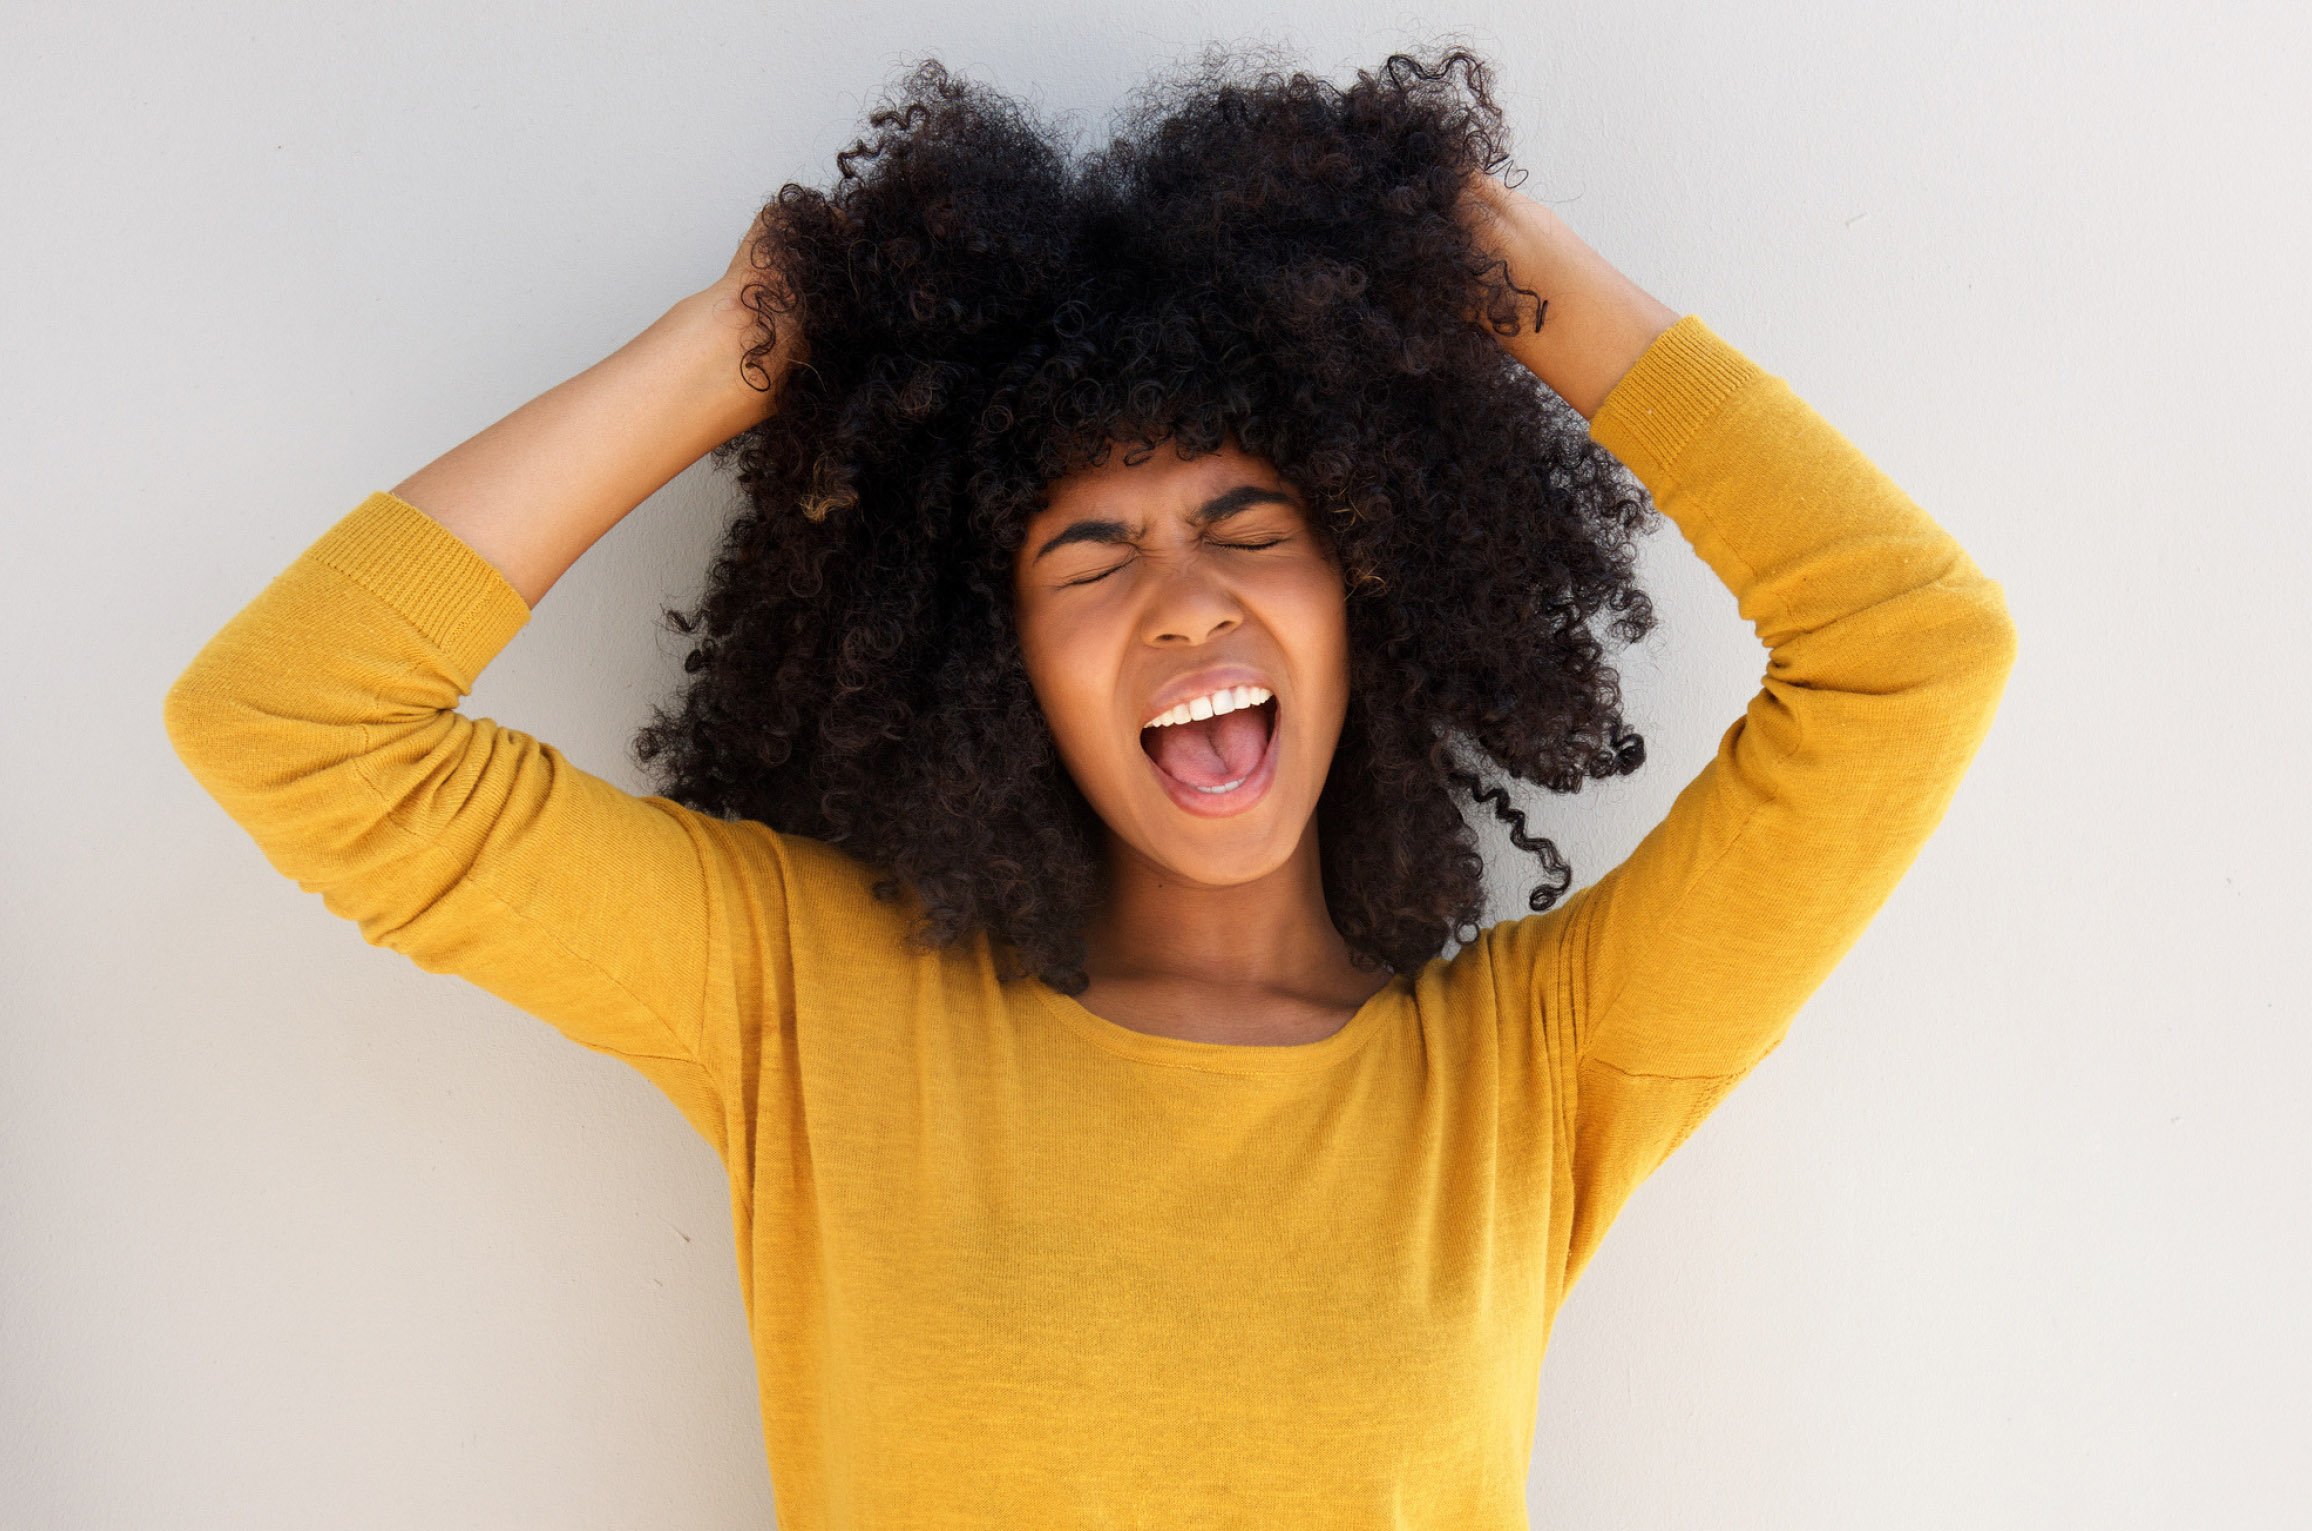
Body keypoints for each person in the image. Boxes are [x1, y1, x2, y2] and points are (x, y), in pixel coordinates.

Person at [164, 48, 2017, 1530]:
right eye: (1088, 555)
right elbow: (298, 722)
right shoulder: (811, 1005)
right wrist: (743, 350)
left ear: (1369, 589)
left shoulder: (1527, 1074)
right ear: (989, 664)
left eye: (1246, 525)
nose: (1186, 601)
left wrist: (1509, 280)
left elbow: (1915, 651)